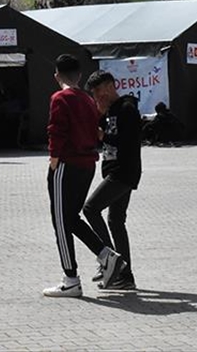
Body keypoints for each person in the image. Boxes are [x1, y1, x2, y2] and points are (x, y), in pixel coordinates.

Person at [43, 54, 124, 298]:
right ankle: (106, 255)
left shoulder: (60, 98)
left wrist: (54, 160)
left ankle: (71, 279)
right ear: (79, 76)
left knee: (60, 221)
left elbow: (56, 130)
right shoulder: (88, 100)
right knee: (71, 218)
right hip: (87, 165)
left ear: (57, 76)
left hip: (66, 164)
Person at [83, 70, 141, 290]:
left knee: (90, 209)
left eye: (98, 91)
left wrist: (103, 135)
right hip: (114, 171)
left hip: (123, 172)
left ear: (110, 86)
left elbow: (128, 141)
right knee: (116, 222)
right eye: (93, 93)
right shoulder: (109, 111)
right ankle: (125, 277)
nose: (96, 96)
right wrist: (99, 116)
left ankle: (110, 259)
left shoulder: (127, 109)